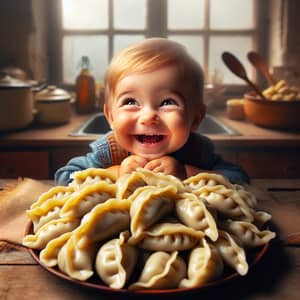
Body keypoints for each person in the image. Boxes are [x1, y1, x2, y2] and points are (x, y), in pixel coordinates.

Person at [55, 38, 249, 185]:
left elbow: (239, 179)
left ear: (196, 119)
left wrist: (187, 173)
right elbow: (65, 177)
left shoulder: (196, 151)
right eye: (131, 101)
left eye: (167, 102)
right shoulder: (108, 154)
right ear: (111, 117)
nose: (148, 117)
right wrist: (114, 173)